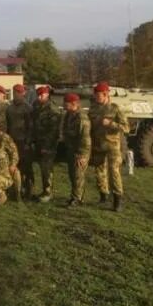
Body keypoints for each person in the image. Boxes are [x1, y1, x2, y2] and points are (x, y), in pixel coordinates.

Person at [88, 82, 129, 211]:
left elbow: (126, 128)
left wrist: (111, 124)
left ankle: (117, 200)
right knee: (99, 172)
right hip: (98, 145)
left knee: (114, 172)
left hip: (113, 146)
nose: (96, 97)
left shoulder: (115, 109)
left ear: (105, 95)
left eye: (98, 95)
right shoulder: (93, 109)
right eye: (95, 95)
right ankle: (103, 196)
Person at [30, 86, 60, 203]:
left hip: (48, 144)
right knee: (42, 168)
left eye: (42, 95)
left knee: (47, 168)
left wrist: (47, 146)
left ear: (47, 95)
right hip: (38, 141)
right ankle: (43, 191)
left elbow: (54, 130)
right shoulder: (36, 105)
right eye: (38, 95)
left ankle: (48, 192)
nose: (39, 97)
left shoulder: (52, 108)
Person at [62, 93, 91, 207]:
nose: (64, 105)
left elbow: (85, 139)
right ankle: (75, 196)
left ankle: (77, 199)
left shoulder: (81, 118)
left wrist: (82, 155)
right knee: (72, 174)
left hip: (80, 151)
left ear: (74, 104)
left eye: (66, 103)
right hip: (71, 149)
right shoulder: (69, 115)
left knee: (78, 174)